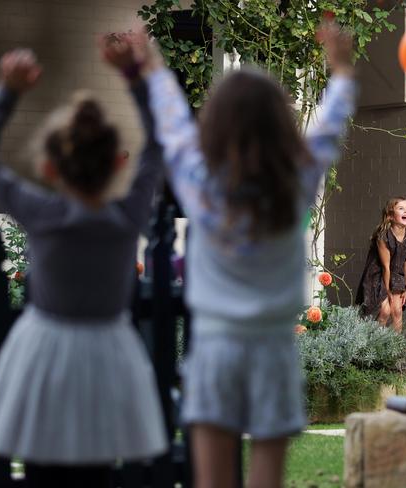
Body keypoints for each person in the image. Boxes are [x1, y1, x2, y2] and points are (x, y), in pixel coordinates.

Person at [110, 20, 355, 488]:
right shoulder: (295, 182)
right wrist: (341, 71)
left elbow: (174, 127)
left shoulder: (202, 185)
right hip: (274, 349)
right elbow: (328, 127)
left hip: (216, 349)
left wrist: (154, 67)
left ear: (218, 123)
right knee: (267, 477)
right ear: (280, 123)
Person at [0, 42, 168, 487]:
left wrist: (7, 91)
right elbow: (157, 145)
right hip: (108, 352)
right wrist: (134, 80)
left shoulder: (42, 213)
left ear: (49, 166)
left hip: (44, 350)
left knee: (42, 467)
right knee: (96, 471)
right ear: (118, 163)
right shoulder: (125, 218)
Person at [355, 197, 406, 332]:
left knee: (397, 312)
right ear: (391, 216)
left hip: (397, 274)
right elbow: (385, 267)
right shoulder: (383, 236)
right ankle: (374, 343)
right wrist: (388, 292)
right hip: (378, 275)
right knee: (385, 311)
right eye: (401, 208)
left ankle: (396, 348)